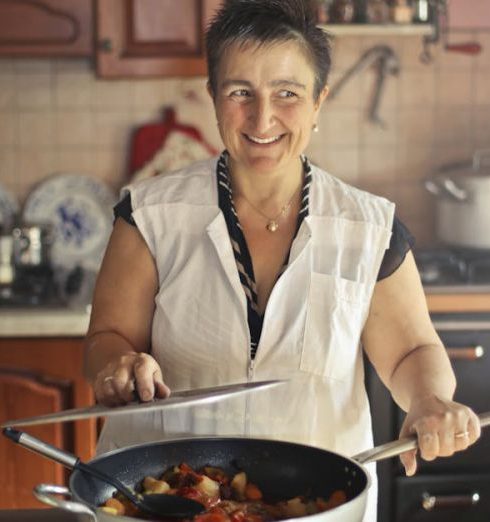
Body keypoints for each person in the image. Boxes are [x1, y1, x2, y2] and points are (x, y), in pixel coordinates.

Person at [84, 0, 481, 520]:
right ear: (213, 97)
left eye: (287, 94)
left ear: (319, 102)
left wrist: (429, 399)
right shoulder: (148, 216)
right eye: (240, 92)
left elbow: (411, 350)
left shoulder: (371, 230)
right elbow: (106, 338)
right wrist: (117, 365)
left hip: (319, 503)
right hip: (159, 498)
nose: (262, 117)